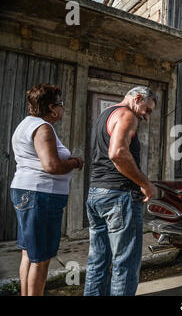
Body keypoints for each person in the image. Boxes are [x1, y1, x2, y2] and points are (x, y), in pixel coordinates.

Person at [10, 83, 84, 296]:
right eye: (61, 104)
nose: (63, 109)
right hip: (41, 195)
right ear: (52, 107)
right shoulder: (43, 128)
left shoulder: (26, 124)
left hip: (28, 192)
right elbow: (51, 166)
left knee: (29, 253)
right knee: (41, 258)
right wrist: (75, 162)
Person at [83, 86, 157, 296]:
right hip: (119, 197)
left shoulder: (104, 115)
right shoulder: (127, 115)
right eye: (147, 109)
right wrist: (145, 183)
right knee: (125, 264)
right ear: (138, 98)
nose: (146, 116)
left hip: (97, 194)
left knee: (98, 262)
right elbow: (117, 153)